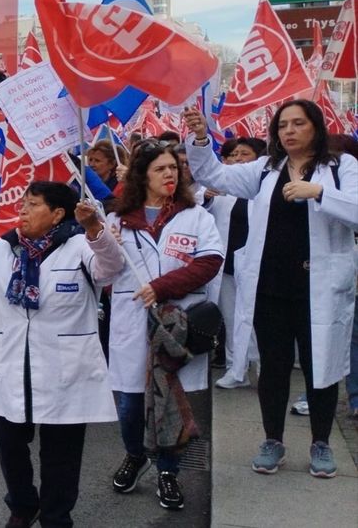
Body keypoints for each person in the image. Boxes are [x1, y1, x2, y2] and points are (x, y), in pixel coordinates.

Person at [183, 101, 357, 480]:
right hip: (270, 287)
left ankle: (321, 442)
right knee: (273, 367)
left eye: (298, 123)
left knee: (320, 365)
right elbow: (214, 174)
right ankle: (272, 440)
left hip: (319, 289)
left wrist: (319, 193)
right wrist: (200, 139)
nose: (289, 131)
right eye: (282, 125)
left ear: (316, 127)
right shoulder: (265, 169)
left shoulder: (340, 167)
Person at [0, 182, 127, 528]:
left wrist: (94, 229)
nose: (22, 210)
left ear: (57, 214)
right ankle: (24, 505)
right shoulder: (5, 247)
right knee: (8, 442)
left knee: (61, 454)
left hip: (64, 369)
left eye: (33, 204)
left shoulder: (80, 246)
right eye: (23, 203)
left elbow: (111, 267)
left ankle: (56, 517)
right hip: (13, 364)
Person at [104, 141, 223, 510]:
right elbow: (103, 272)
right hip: (132, 321)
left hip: (175, 324)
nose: (170, 174)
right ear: (143, 176)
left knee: (170, 401)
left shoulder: (196, 216)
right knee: (130, 403)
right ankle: (135, 454)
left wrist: (162, 287)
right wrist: (101, 241)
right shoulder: (118, 220)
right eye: (160, 169)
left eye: (174, 167)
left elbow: (209, 262)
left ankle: (168, 470)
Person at [208, 137, 266, 388]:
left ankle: (264, 369)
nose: (238, 159)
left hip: (258, 264)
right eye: (234, 155)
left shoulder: (266, 186)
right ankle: (236, 369)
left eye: (244, 154)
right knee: (232, 319)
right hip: (228, 264)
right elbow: (203, 208)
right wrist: (206, 197)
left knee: (259, 320)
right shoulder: (223, 186)